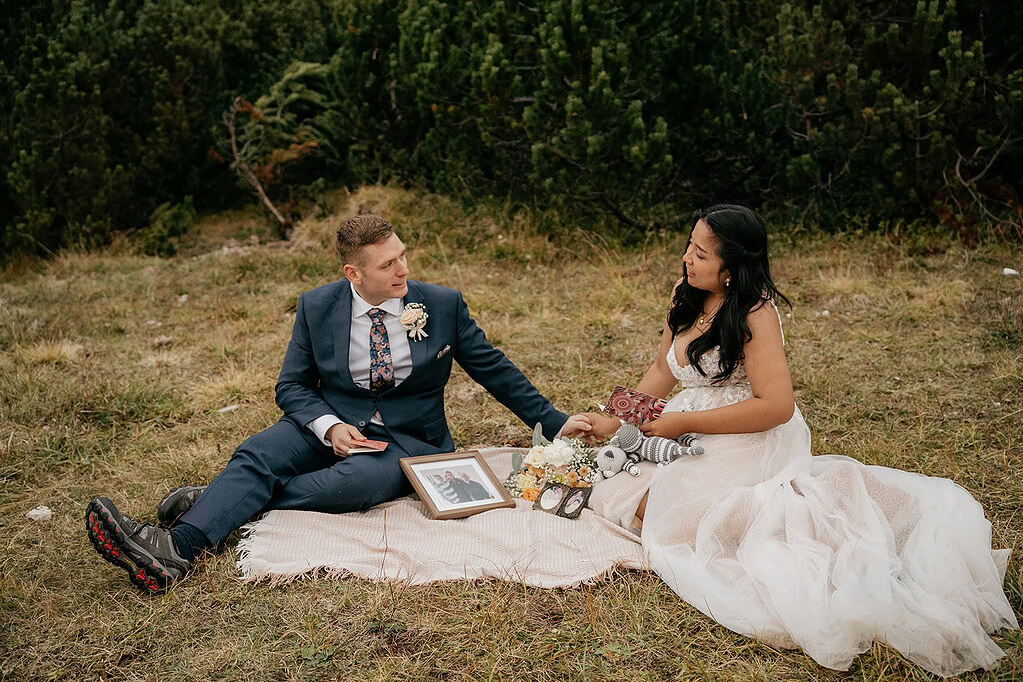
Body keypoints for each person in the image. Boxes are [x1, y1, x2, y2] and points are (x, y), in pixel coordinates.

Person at [562, 205, 1018, 676]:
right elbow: (663, 369)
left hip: (748, 432)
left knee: (668, 516)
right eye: (688, 247)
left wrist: (677, 425)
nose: (686, 259)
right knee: (615, 487)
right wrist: (614, 421)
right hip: (688, 420)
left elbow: (775, 405)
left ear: (733, 268)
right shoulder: (686, 293)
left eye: (700, 253)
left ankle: (806, 531)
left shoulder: (756, 314)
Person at [86, 214, 590, 592]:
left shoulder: (440, 304)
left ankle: (223, 497)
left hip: (409, 439)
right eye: (388, 263)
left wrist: (554, 421)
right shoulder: (316, 306)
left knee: (355, 483)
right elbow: (292, 387)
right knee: (258, 452)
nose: (403, 269)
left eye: (402, 255)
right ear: (354, 272)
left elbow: (493, 368)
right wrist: (328, 427)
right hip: (333, 420)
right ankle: (173, 551)